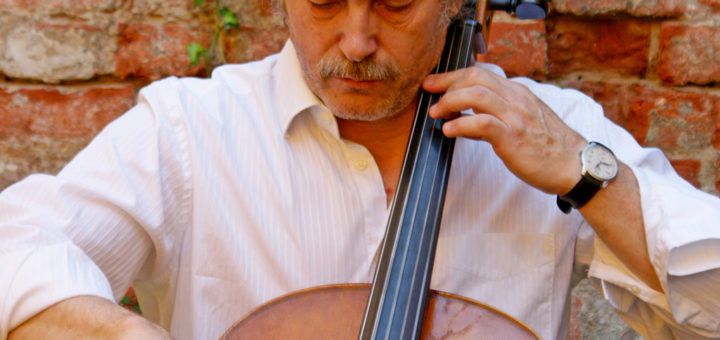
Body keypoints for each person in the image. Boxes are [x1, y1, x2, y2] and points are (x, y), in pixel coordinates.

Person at [2, 0, 719, 339]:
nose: (355, 39)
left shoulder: (554, 131)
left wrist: (586, 175)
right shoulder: (191, 130)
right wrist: (123, 336)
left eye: (397, 3)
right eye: (322, 2)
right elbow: (17, 250)